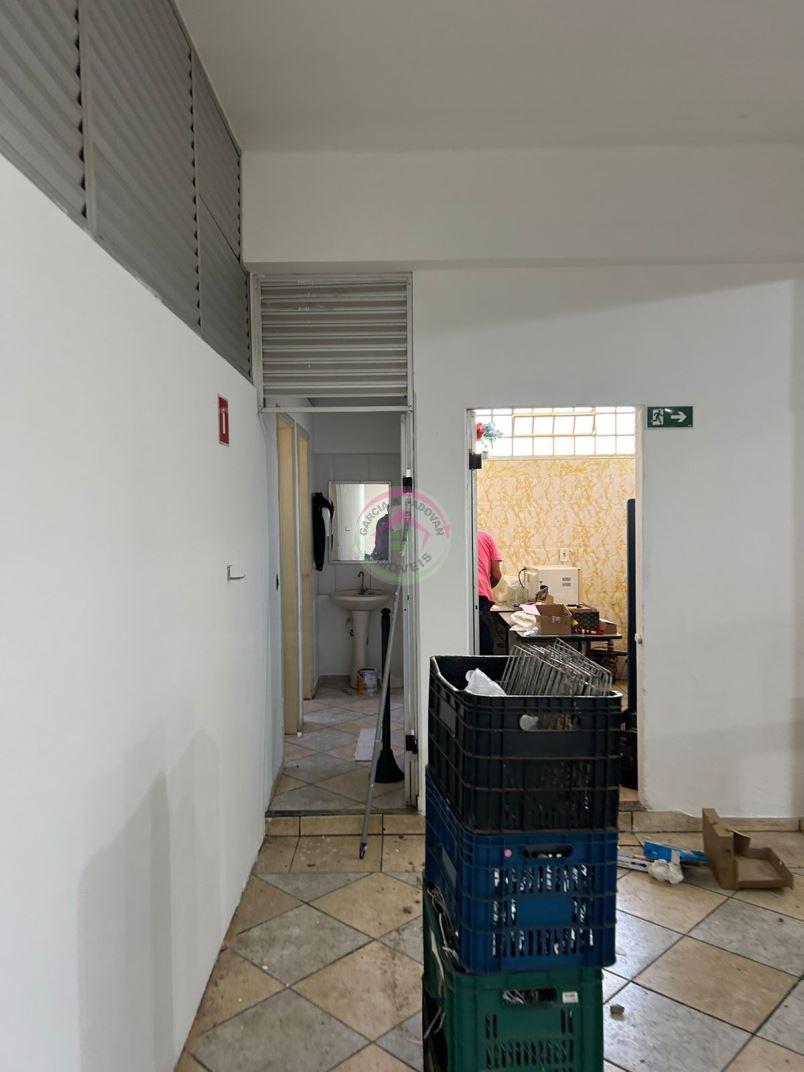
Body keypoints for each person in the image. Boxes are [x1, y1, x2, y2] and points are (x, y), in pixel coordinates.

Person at [477, 529, 502, 655]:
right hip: (480, 598)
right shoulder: (485, 537)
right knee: (484, 647)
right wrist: (485, 587)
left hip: (454, 597)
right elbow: (496, 575)